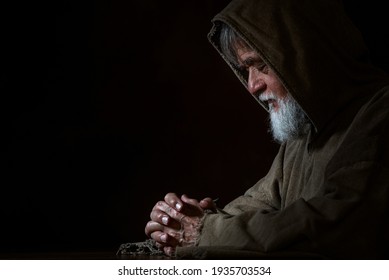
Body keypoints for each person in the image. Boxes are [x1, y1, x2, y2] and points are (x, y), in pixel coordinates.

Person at [144, 0, 389, 259]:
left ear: (306, 52)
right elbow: (255, 206)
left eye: (261, 65)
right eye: (245, 69)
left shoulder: (379, 115)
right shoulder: (304, 133)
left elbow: (337, 227)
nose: (252, 86)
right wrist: (181, 221)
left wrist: (205, 231)